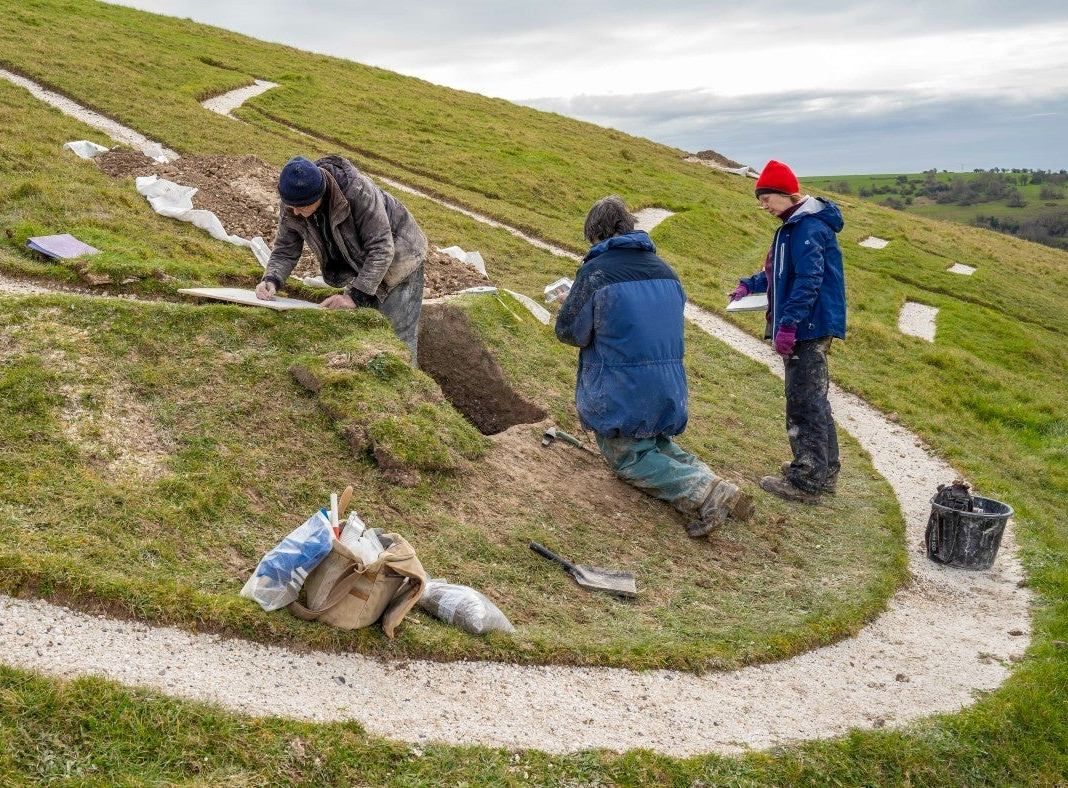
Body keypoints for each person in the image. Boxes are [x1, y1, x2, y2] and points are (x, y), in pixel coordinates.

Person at [556, 196, 754, 537]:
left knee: (629, 457)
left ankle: (703, 493)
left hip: (622, 388)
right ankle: (719, 486)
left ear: (595, 234)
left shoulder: (596, 272)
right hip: (667, 385)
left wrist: (568, 303)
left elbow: (570, 332)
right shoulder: (665, 271)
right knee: (659, 444)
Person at [729, 160, 846, 503]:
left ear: (785, 193)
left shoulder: (808, 228)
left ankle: (807, 480)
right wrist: (748, 285)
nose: (763, 206)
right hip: (807, 326)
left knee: (804, 403)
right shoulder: (792, 227)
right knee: (815, 401)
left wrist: (789, 325)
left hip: (809, 327)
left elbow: (809, 281)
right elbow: (779, 271)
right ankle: (824, 471)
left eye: (766, 198)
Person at [256, 155, 428, 363]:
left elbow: (381, 248)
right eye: (291, 206)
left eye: (301, 208)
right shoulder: (295, 201)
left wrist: (354, 297)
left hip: (400, 258)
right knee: (366, 333)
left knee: (396, 336)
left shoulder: (357, 191)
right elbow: (285, 249)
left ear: (319, 195)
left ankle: (408, 390)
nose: (295, 212)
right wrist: (271, 279)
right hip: (363, 261)